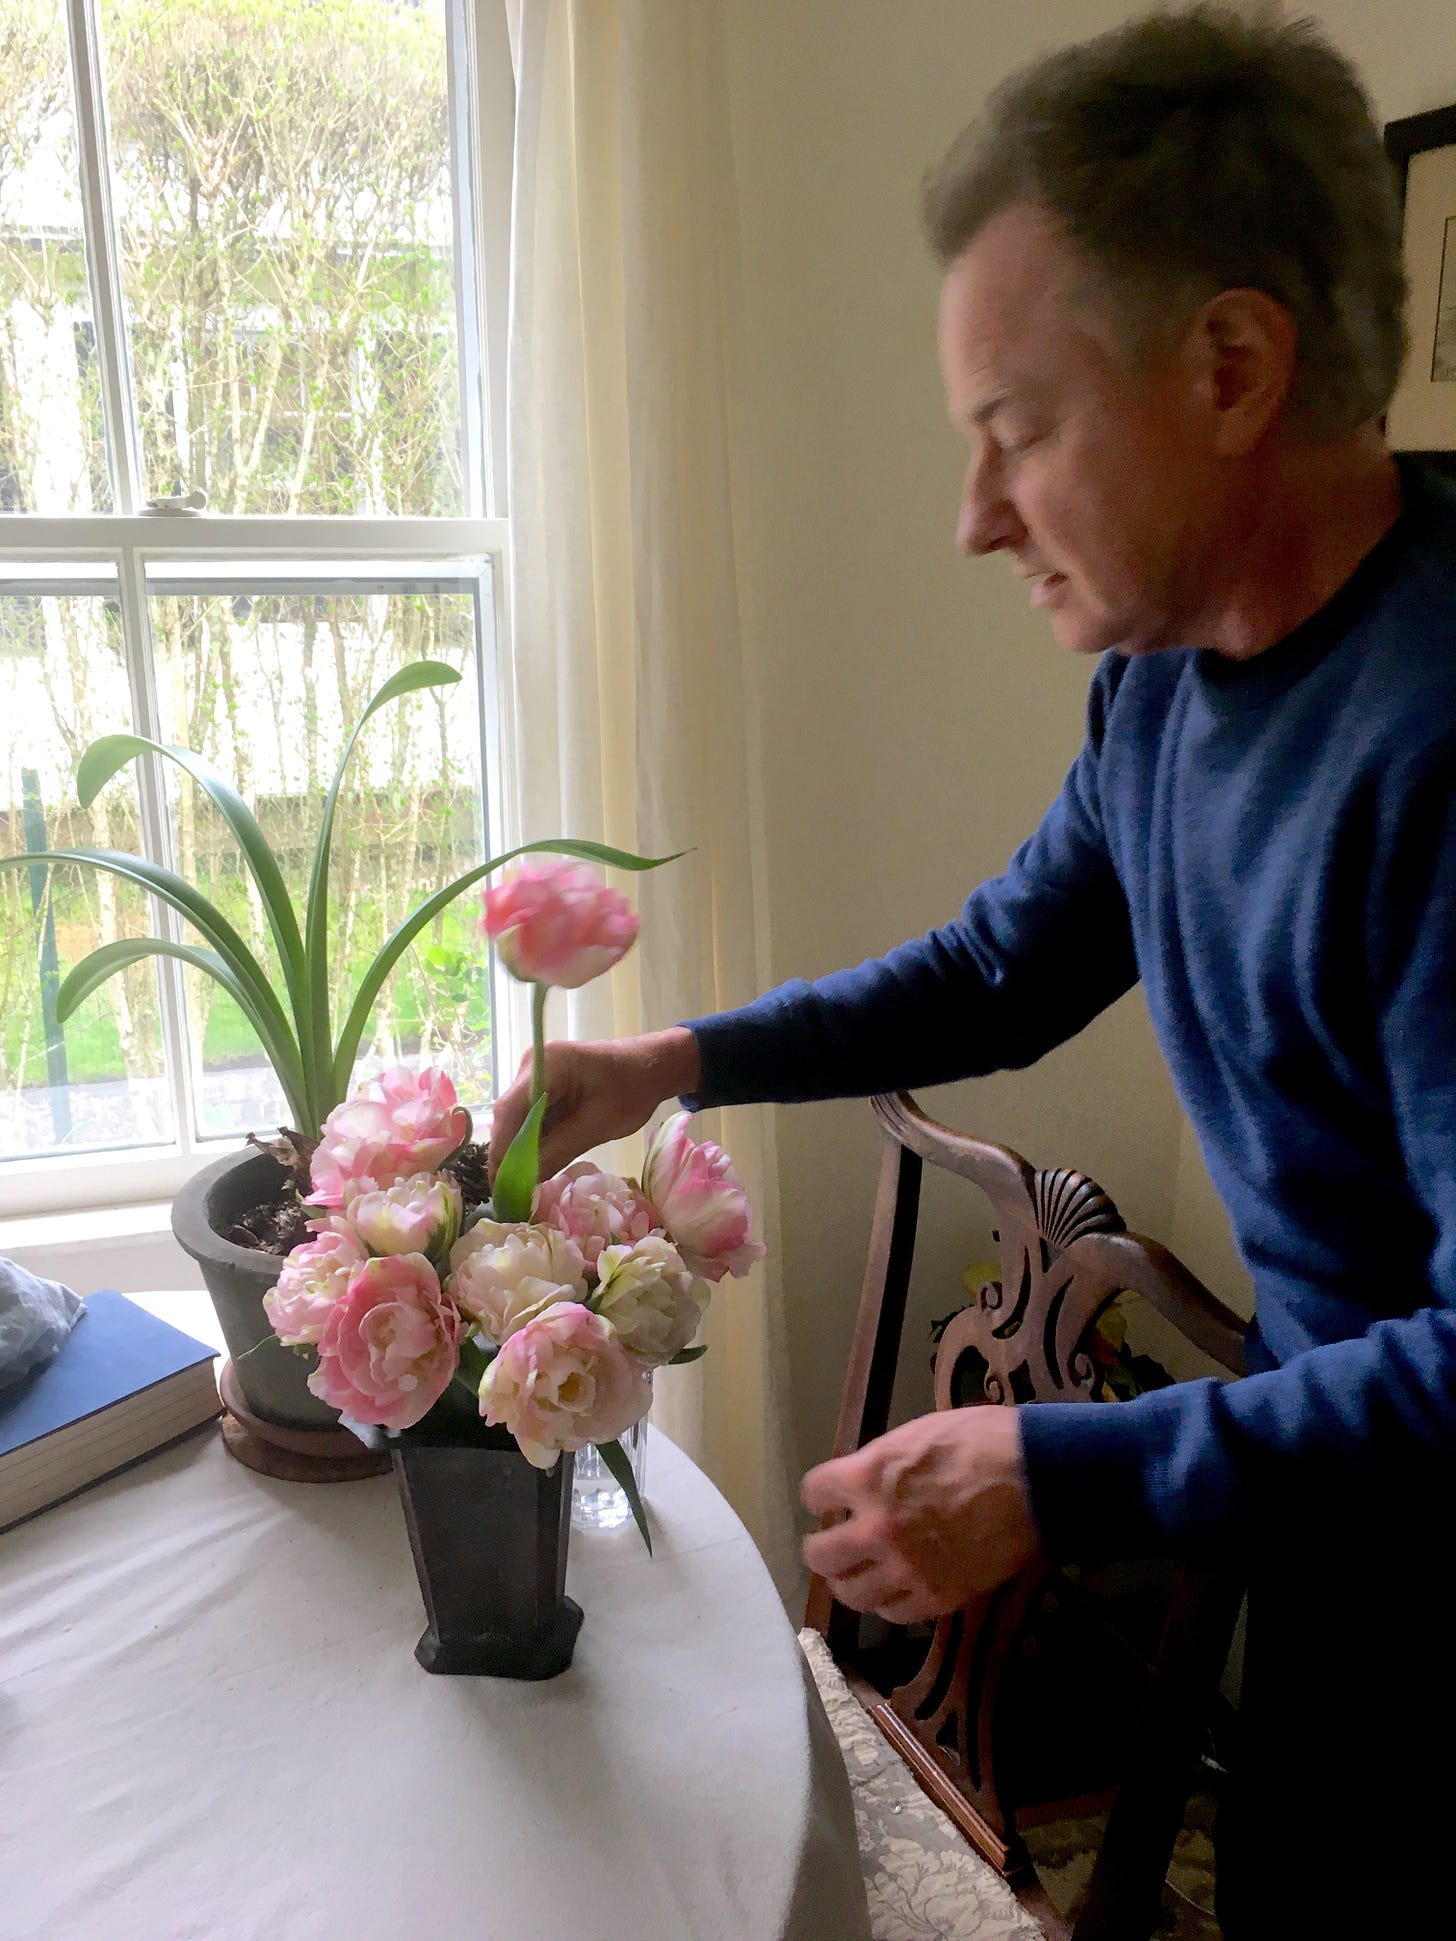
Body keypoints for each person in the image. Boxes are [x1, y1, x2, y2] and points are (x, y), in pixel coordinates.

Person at [492, 9, 1456, 1931]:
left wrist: (1068, 1467)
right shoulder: (1164, 683)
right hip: (1347, 1539)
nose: (972, 514)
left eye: (1017, 429)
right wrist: (673, 1057)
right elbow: (1006, 964)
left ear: (1236, 367)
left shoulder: (1436, 746)